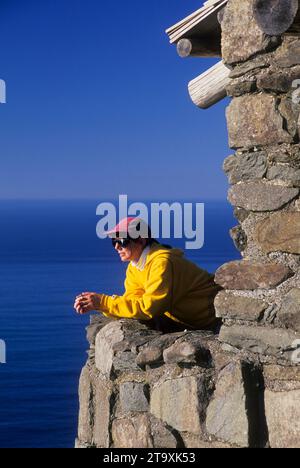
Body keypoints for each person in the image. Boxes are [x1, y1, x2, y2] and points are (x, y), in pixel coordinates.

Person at [74, 217, 222, 333]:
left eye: (122, 241)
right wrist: (99, 305)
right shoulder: (135, 266)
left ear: (141, 240)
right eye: (114, 241)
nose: (117, 247)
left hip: (210, 321)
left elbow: (149, 308)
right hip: (187, 320)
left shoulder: (162, 263)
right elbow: (132, 301)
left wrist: (104, 302)